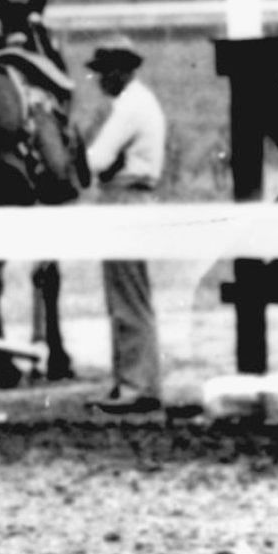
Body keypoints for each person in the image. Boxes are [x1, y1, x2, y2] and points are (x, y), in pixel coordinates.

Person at [82, 42, 165, 415]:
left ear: (121, 72)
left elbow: (98, 159)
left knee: (128, 296)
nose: (99, 79)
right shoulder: (135, 101)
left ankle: (138, 384)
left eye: (104, 72)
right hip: (128, 199)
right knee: (126, 295)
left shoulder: (131, 106)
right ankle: (130, 381)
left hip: (126, 199)